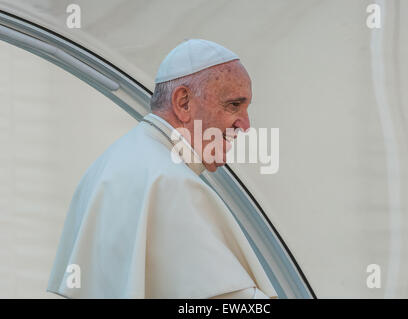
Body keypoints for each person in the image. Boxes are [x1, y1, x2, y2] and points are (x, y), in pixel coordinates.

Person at [47, 39, 277, 299]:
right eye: (233, 105)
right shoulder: (170, 182)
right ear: (183, 102)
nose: (245, 125)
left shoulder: (109, 163)